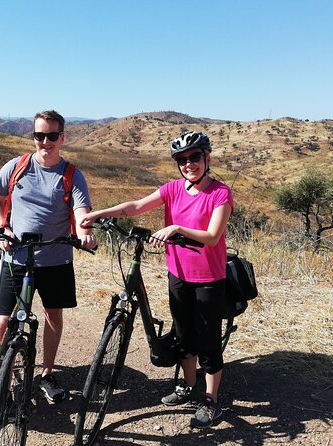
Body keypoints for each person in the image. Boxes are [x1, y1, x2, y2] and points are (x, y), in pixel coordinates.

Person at [79, 130, 233, 429]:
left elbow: (213, 237)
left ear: (207, 158)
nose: (189, 164)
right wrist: (100, 213)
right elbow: (136, 206)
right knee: (184, 335)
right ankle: (188, 386)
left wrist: (177, 228)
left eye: (195, 158)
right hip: (178, 274)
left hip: (209, 278)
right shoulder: (173, 189)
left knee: (208, 342)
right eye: (183, 160)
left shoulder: (220, 193)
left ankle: (212, 400)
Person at [0, 110, 97, 425]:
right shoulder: (17, 167)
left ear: (63, 137)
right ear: (33, 136)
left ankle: (47, 373)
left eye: (51, 136)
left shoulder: (72, 175)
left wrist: (85, 231)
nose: (44, 142)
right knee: (4, 322)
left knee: (53, 316)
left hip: (55, 259)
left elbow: (81, 210)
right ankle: (3, 387)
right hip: (16, 257)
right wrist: (3, 227)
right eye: (39, 135)